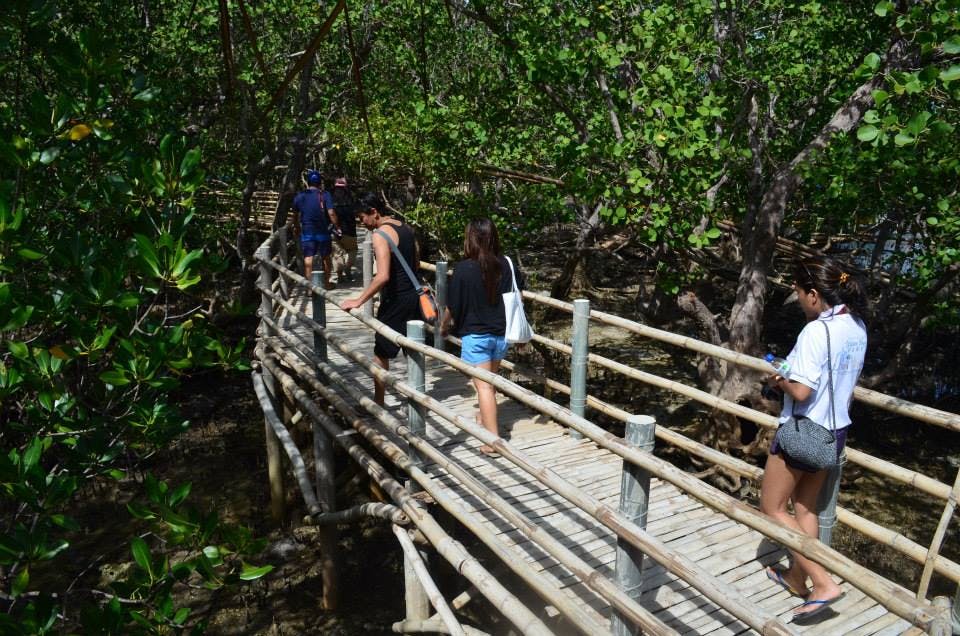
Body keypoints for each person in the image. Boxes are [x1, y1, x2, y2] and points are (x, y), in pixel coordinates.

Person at [759, 255, 868, 623]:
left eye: (799, 293)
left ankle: (822, 584)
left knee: (773, 508)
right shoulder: (856, 326)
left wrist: (779, 377)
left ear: (813, 294)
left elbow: (802, 392)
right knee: (805, 509)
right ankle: (796, 576)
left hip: (803, 432)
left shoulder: (815, 331)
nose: (798, 300)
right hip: (834, 434)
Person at [442, 218, 523, 457]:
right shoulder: (508, 264)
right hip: (502, 335)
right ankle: (485, 418)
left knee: (484, 387)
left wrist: (443, 325)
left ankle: (492, 441)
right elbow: (519, 298)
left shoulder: (464, 268)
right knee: (490, 383)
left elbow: (453, 305)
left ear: (471, 239)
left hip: (476, 335)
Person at [339, 193, 422, 405]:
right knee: (412, 349)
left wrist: (359, 300)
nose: (361, 222)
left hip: (395, 300)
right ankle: (418, 401)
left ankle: (378, 401)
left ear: (373, 212)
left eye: (362, 218)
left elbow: (383, 275)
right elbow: (417, 262)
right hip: (414, 297)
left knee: (381, 352)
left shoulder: (380, 235)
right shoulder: (405, 228)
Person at [292, 170, 339, 289]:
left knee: (308, 258)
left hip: (307, 231)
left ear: (308, 183)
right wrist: (337, 226)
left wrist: (297, 227)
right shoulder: (325, 194)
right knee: (326, 256)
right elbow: (331, 213)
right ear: (320, 183)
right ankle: (326, 284)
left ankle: (310, 288)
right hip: (323, 230)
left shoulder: (300, 196)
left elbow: (295, 215)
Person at [331, 177, 358, 284]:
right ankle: (347, 268)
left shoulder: (330, 198)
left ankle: (339, 274)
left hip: (334, 230)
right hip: (349, 230)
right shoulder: (350, 197)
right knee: (352, 251)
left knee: (336, 253)